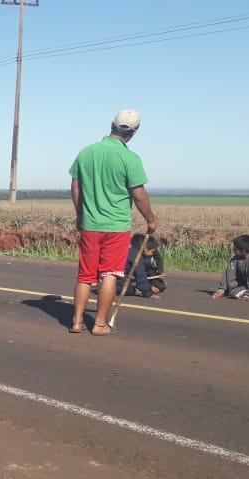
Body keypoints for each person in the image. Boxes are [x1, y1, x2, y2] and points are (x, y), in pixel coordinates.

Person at [69, 108, 158, 336]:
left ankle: (77, 321)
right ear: (135, 132)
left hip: (90, 224)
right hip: (116, 227)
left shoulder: (87, 152)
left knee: (85, 274)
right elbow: (139, 194)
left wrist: (80, 215)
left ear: (112, 124)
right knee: (109, 274)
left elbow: (76, 187)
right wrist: (151, 219)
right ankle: (99, 324)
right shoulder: (129, 158)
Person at [211, 234, 249, 301]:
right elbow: (228, 273)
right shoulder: (235, 259)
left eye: (235, 248)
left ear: (243, 250)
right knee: (232, 292)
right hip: (243, 285)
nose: (233, 249)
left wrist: (248, 294)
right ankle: (242, 294)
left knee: (234, 293)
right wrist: (221, 290)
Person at [122, 234, 163, 300]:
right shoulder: (136, 256)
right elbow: (140, 275)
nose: (152, 254)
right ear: (145, 248)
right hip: (117, 277)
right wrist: (148, 293)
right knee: (129, 290)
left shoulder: (131, 250)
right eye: (152, 251)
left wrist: (150, 287)